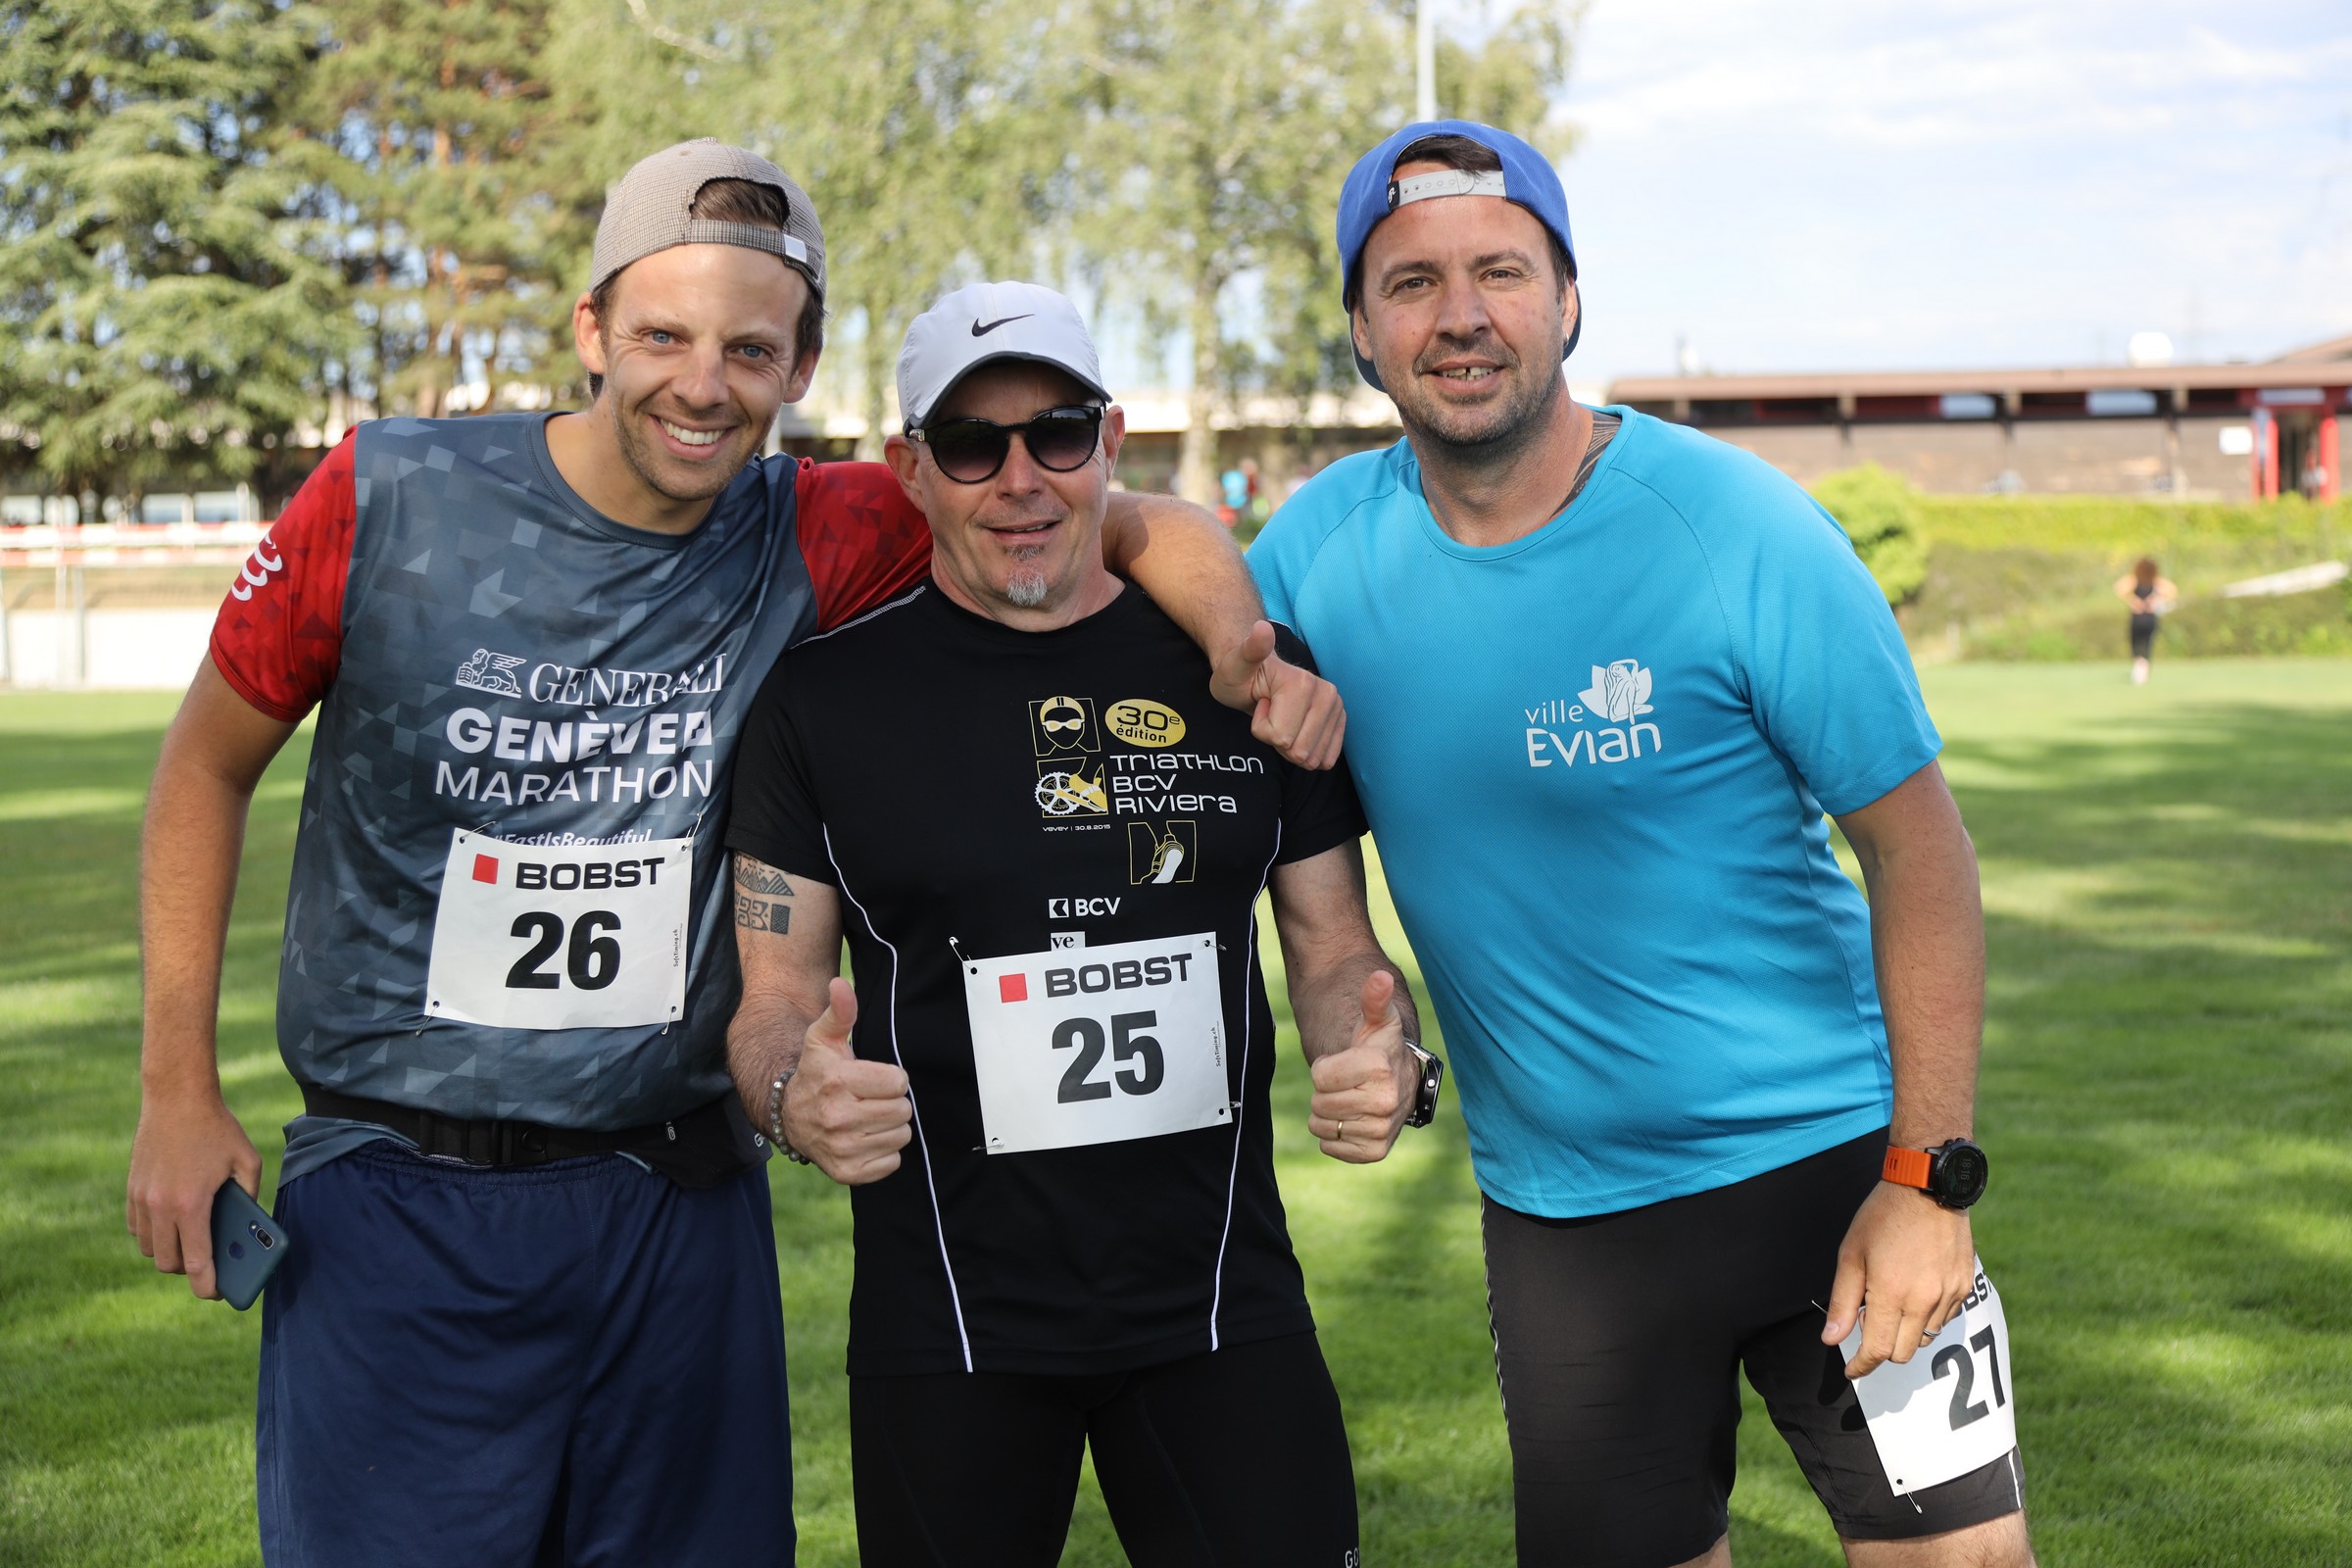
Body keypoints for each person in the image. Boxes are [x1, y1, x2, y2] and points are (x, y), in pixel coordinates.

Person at [124, 141, 1341, 1568]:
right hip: (401, 1185)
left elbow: (1115, 518)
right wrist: (175, 1088)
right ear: (591, 329)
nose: (703, 386)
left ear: (799, 367)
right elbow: (204, 766)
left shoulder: (825, 526)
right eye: (663, 337)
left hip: (676, 1194)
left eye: (749, 351)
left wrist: (1242, 650)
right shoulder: (387, 493)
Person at [1247, 121, 2036, 1568]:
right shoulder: (1313, 555)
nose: (1461, 314)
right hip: (1566, 1228)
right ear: (1360, 333)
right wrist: (1361, 1007)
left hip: (1835, 1171)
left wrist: (1929, 1182)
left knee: (1962, 1563)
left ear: (1568, 300)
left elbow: (1922, 852)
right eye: (1412, 283)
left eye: (1501, 271)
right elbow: (1138, 552)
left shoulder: (1738, 528)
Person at [722, 281, 1441, 1568]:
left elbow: (1339, 954)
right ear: (909, 471)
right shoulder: (820, 702)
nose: (1021, 479)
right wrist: (790, 1092)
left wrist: (1382, 1052)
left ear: (1109, 441)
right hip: (951, 1324)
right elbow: (773, 997)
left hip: (1220, 1305)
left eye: (1056, 434)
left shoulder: (1255, 678)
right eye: (970, 444)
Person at [2114, 558, 2178, 685]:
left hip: (2138, 618)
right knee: (2147, 643)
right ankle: (2143, 666)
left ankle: (2139, 665)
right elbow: (2172, 590)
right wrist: (2156, 599)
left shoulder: (2136, 581)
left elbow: (2119, 588)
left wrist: (2132, 600)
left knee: (2136, 643)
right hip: (2150, 618)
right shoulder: (2155, 582)